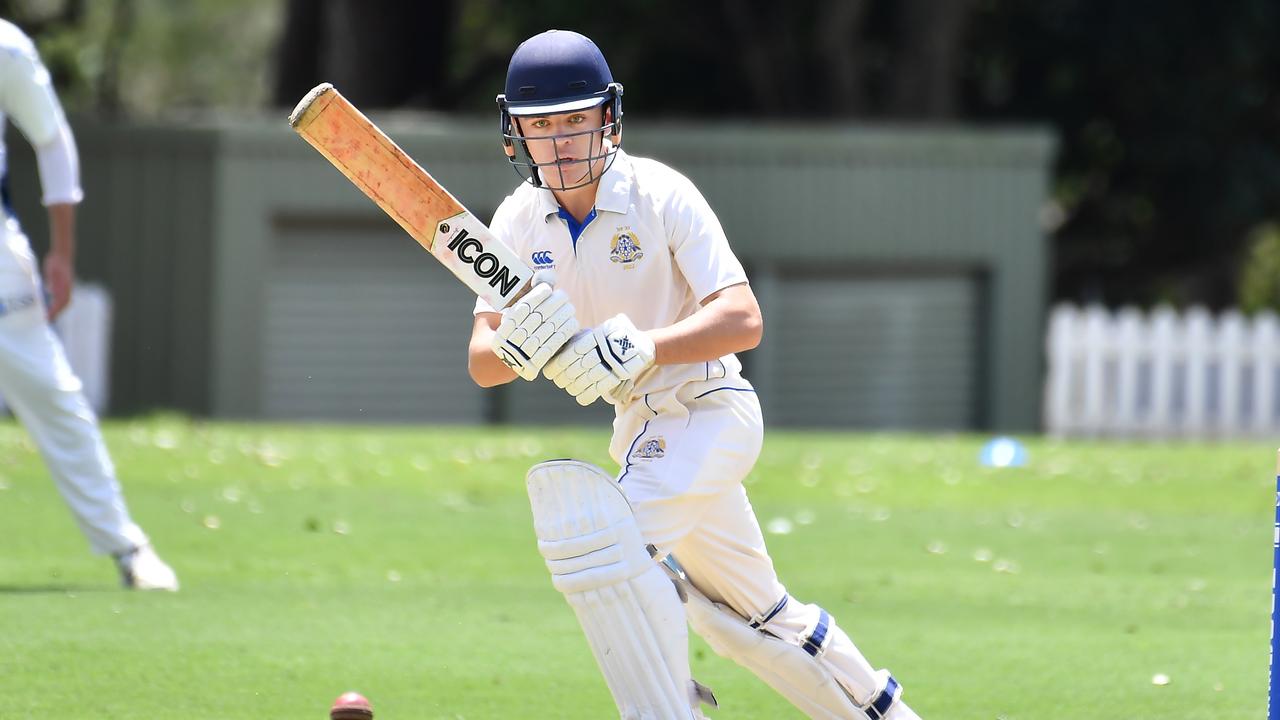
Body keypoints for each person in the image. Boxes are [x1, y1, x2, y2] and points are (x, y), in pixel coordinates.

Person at [468, 29, 920, 719]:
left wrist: (640, 348)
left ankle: (667, 709)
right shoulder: (518, 220)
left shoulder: (661, 194)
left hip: (708, 410)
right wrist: (517, 350)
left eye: (574, 122)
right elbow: (481, 360)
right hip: (640, 429)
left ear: (606, 119)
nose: (560, 142)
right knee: (749, 616)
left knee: (608, 546)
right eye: (541, 126)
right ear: (516, 132)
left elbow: (743, 318)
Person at [0, 19, 177, 591]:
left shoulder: (5, 47)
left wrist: (63, 252)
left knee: (53, 394)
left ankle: (128, 547)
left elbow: (49, 135)